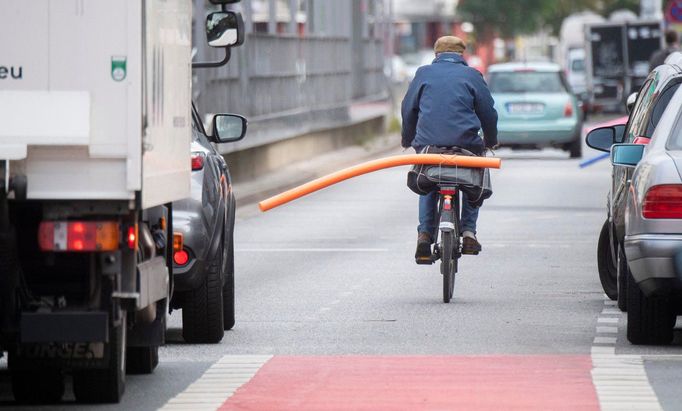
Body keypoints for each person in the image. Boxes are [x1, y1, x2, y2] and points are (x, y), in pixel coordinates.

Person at [401, 36, 498, 261]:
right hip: (465, 146)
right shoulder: (472, 76)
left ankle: (425, 235)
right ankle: (468, 231)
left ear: (436, 54)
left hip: (430, 146)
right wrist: (490, 141)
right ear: (461, 55)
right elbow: (488, 113)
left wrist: (409, 140)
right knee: (474, 181)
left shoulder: (423, 74)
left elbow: (408, 110)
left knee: (427, 182)